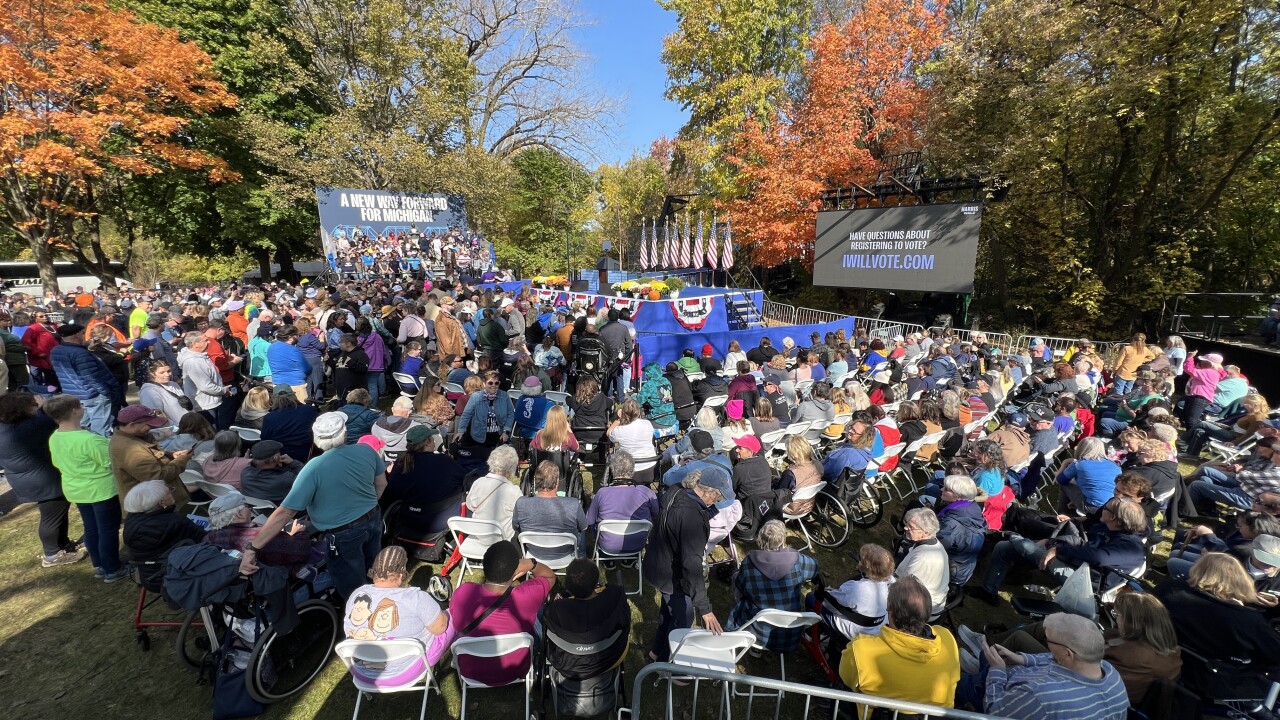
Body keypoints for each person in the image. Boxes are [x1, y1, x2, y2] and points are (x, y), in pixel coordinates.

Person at [238, 411, 386, 600]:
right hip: (372, 518)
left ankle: (362, 612)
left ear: (316, 439)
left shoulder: (314, 468)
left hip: (343, 533)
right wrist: (368, 505)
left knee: (353, 586)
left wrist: (252, 548)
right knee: (373, 567)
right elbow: (381, 483)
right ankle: (379, 598)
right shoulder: (366, 450)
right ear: (345, 433)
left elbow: (285, 512)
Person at [973, 497, 1146, 606]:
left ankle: (1008, 534)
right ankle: (989, 592)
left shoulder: (1131, 546)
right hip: (1074, 563)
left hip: (1084, 579)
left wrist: (1058, 549)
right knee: (1004, 548)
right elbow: (1083, 541)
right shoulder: (1106, 527)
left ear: (1115, 518)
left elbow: (1098, 557)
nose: (1102, 510)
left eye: (1106, 509)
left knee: (1025, 546)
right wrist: (1053, 543)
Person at [1154, 552, 1280, 699]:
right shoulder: (1249, 620)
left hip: (1163, 660)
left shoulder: (1170, 590)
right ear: (1242, 581)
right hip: (1218, 682)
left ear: (1198, 570)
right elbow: (1275, 654)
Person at [839, 576, 960, 711]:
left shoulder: (861, 650)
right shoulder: (947, 639)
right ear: (927, 612)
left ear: (889, 608)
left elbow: (846, 678)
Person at [976, 612, 1128, 720]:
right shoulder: (1109, 672)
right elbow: (1052, 657)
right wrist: (1021, 659)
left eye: (1048, 641)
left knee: (970, 678)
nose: (1047, 645)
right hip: (1018, 688)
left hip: (996, 694)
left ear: (1068, 654)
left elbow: (994, 712)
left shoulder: (1040, 697)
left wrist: (997, 671)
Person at [448, 540, 555, 687]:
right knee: (541, 610)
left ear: (484, 567)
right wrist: (532, 564)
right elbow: (550, 577)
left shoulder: (463, 593)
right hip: (516, 668)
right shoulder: (528, 595)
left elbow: (457, 624)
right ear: (515, 571)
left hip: (471, 671)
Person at [645, 470, 725, 662]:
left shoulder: (676, 490)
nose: (717, 501)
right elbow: (692, 564)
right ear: (708, 492)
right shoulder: (692, 518)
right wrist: (704, 608)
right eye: (718, 497)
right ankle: (665, 664)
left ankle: (656, 651)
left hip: (659, 563)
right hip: (673, 574)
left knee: (668, 610)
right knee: (683, 620)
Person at [343, 546, 455, 681]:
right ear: (401, 573)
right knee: (453, 616)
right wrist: (446, 613)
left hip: (363, 675)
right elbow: (440, 629)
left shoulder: (357, 594)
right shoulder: (416, 597)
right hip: (404, 674)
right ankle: (463, 659)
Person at [0, 393, 85, 569]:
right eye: (31, 405)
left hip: (24, 478)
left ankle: (62, 544)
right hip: (42, 480)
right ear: (22, 410)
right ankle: (52, 554)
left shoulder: (4, 427)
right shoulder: (30, 427)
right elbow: (51, 418)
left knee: (56, 511)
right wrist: (42, 406)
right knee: (51, 516)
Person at [726, 520, 818, 650]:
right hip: (790, 635)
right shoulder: (798, 560)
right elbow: (815, 567)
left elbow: (740, 586)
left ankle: (751, 645)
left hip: (757, 633)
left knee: (737, 578)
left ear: (760, 539)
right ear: (782, 541)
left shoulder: (748, 563)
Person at [543, 559, 630, 681]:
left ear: (569, 587)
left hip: (568, 664)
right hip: (611, 657)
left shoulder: (556, 609)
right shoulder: (615, 596)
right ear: (596, 583)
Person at [382, 426, 465, 535]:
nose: (434, 441)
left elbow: (393, 489)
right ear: (427, 442)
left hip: (409, 519)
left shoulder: (401, 463)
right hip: (442, 520)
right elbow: (462, 479)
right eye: (432, 438)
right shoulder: (443, 460)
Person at [1103, 592, 1182, 705]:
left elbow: (1095, 678)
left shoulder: (1132, 656)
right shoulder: (1167, 648)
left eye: (1117, 614)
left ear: (1132, 623)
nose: (1116, 619)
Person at [109, 404, 193, 508]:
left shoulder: (134, 437)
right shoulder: (131, 449)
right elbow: (158, 477)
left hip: (160, 504)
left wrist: (170, 455)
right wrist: (181, 460)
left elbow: (150, 458)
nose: (151, 427)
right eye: (148, 424)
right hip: (154, 508)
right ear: (132, 425)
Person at [49, 324, 124, 436]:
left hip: (73, 394)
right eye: (83, 333)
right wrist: (104, 391)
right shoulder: (80, 353)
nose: (84, 336)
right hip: (93, 394)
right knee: (101, 427)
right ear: (77, 335)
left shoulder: (56, 351)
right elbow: (90, 376)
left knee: (81, 425)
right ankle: (99, 446)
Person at [205, 491, 311, 570]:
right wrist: (299, 533)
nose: (251, 509)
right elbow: (303, 550)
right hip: (285, 581)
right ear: (239, 514)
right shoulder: (257, 536)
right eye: (248, 507)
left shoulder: (208, 539)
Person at [586, 450, 659, 554]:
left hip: (608, 545)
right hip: (638, 544)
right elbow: (657, 515)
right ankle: (631, 559)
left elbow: (589, 521)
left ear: (612, 470)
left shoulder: (602, 493)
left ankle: (601, 558)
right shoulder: (646, 492)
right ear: (632, 470)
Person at [512, 460, 588, 559]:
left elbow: (515, 526)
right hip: (565, 555)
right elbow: (584, 527)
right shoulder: (573, 504)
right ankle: (582, 557)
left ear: (536, 481)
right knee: (581, 529)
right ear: (557, 482)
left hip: (534, 554)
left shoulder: (521, 503)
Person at [121, 479, 207, 563]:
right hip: (182, 567)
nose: (172, 492)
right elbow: (204, 538)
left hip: (149, 569)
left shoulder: (130, 522)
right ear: (162, 503)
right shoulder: (176, 522)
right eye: (169, 492)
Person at [934, 475, 986, 586]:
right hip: (965, 567)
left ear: (958, 495)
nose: (941, 489)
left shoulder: (952, 523)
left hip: (949, 571)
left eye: (946, 489)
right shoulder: (972, 507)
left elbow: (935, 548)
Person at [895, 508, 950, 614]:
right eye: (906, 524)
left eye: (911, 527)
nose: (905, 528)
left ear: (925, 532)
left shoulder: (922, 558)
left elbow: (904, 587)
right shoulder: (934, 543)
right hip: (926, 598)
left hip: (921, 609)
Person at [465, 444, 523, 540]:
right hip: (502, 541)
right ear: (511, 468)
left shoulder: (478, 482)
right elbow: (520, 518)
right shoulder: (514, 491)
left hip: (478, 537)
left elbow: (469, 505)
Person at [1055, 437, 1121, 515]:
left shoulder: (1078, 464)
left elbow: (1060, 480)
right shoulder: (1115, 466)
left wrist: (1065, 463)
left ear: (1081, 448)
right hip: (1112, 508)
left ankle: (1062, 515)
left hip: (1093, 507)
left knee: (1066, 484)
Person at [178, 331, 230, 429]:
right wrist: (223, 390)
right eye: (205, 340)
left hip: (210, 401)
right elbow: (205, 386)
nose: (209, 342)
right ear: (195, 344)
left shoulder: (200, 356)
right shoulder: (194, 362)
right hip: (204, 406)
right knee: (211, 432)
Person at [260, 384, 319, 461]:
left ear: (273, 399)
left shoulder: (269, 418)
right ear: (293, 395)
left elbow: (265, 440)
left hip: (280, 459)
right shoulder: (309, 410)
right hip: (306, 456)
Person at [457, 370, 513, 447]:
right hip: (479, 436)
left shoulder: (504, 396)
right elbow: (466, 414)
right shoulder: (476, 397)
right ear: (484, 383)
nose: (493, 385)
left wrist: (506, 431)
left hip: (499, 436)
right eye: (490, 383)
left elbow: (510, 413)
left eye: (496, 383)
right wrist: (461, 431)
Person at [239, 439, 304, 506]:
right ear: (275, 458)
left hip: (255, 510)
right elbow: (306, 477)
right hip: (282, 511)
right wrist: (292, 462)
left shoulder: (245, 474)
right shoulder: (285, 479)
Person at [607, 398, 657, 483]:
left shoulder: (619, 430)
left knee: (610, 457)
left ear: (623, 413)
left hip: (629, 471)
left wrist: (618, 420)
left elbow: (608, 433)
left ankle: (605, 482)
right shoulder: (647, 424)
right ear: (638, 412)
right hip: (650, 466)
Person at [266, 324, 310, 402]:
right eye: (297, 335)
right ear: (290, 337)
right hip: (295, 386)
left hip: (277, 385)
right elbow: (306, 368)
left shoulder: (271, 347)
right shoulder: (293, 350)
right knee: (299, 407)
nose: (298, 337)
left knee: (280, 407)